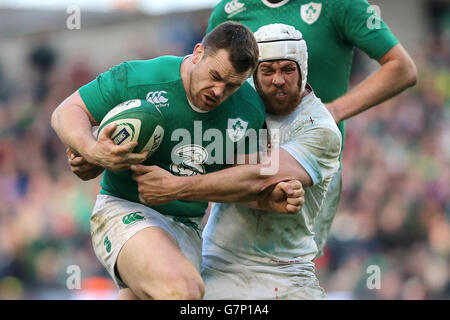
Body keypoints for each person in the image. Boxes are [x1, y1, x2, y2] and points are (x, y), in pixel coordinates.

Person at [51, 21, 302, 300]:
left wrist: (267, 197)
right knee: (182, 291)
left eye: (231, 85)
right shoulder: (141, 78)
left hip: (188, 228)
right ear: (198, 53)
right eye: (215, 76)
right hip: (126, 210)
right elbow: (67, 111)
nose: (219, 91)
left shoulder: (249, 109)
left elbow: (241, 181)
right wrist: (91, 150)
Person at [131, 23, 342, 299]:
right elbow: (225, 174)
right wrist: (94, 147)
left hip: (284, 270)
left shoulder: (320, 129)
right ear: (253, 74)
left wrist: (178, 186)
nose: (278, 80)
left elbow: (262, 176)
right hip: (218, 262)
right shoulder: (228, 106)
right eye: (268, 70)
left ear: (302, 69)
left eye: (287, 69)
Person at [207, 0, 417, 258]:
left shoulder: (339, 6)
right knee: (226, 264)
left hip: (308, 167)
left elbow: (402, 68)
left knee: (293, 268)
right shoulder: (229, 10)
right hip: (246, 161)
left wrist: (337, 109)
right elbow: (211, 77)